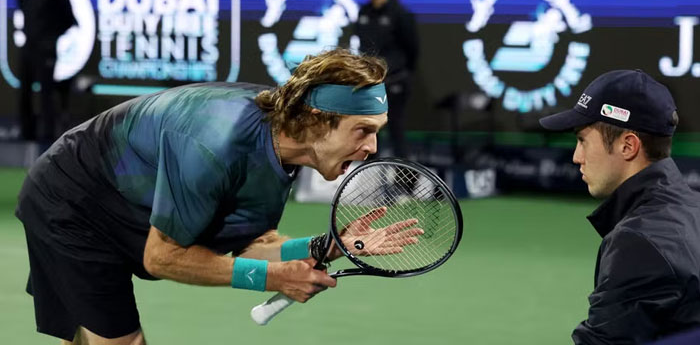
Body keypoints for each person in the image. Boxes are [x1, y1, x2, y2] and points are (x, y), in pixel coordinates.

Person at [16, 49, 424, 344]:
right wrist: (272, 278)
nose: (372, 147)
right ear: (318, 120)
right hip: (73, 202)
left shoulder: (286, 145)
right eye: (362, 129)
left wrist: (329, 246)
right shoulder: (216, 144)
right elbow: (162, 257)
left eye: (377, 130)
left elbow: (256, 246)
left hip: (129, 205)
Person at [539, 69, 700, 344]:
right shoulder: (693, 207)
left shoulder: (637, 243)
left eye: (582, 141)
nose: (577, 157)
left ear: (628, 146)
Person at [355, 0, 419, 158]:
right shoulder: (363, 12)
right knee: (368, 130)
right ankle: (370, 177)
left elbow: (412, 49)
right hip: (370, 82)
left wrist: (401, 73)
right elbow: (360, 44)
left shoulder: (400, 14)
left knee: (396, 129)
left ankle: (406, 181)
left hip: (395, 81)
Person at [17, 0, 76, 142]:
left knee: (46, 93)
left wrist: (51, 37)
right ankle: (26, 135)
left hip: (46, 49)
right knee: (24, 92)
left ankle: (47, 137)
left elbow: (69, 19)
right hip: (28, 48)